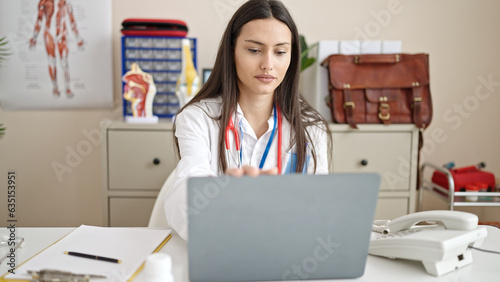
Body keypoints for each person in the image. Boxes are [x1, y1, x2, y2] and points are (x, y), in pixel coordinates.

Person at [164, 0, 332, 240]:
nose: (268, 64)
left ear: (291, 57)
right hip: (222, 247)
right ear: (232, 51)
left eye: (280, 52)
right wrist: (221, 197)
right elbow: (184, 191)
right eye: (254, 50)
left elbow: (322, 208)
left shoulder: (312, 128)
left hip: (289, 252)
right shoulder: (197, 119)